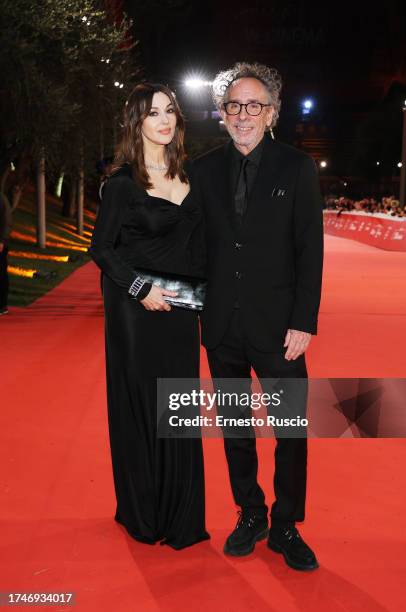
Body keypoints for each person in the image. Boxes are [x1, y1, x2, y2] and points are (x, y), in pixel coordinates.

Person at [193, 62, 323, 570]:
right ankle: (250, 512)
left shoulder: (296, 168)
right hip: (222, 326)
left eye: (254, 105)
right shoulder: (202, 170)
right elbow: (192, 247)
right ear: (222, 113)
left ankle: (287, 523)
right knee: (234, 428)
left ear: (271, 113)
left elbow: (309, 249)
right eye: (234, 105)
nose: (243, 114)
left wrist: (304, 320)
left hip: (279, 329)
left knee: (290, 429)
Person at [90, 83, 209, 549]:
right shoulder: (122, 184)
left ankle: (180, 517)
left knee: (177, 410)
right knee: (142, 407)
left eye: (170, 112)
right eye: (152, 113)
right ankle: (143, 513)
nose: (164, 120)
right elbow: (101, 248)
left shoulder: (191, 178)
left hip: (181, 310)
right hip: (136, 312)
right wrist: (140, 288)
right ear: (135, 122)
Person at [0, 192, 12, 315]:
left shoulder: (2, 199)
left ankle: (2, 305)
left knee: (1, 273)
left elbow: (6, 220)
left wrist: (2, 240)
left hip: (1, 243)